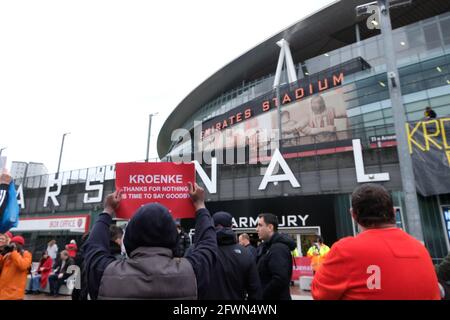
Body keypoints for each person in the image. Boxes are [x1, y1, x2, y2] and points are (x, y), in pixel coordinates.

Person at [82, 183, 217, 300]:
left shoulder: (105, 272)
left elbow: (93, 246)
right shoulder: (193, 271)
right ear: (173, 237)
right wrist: (200, 205)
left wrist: (107, 210)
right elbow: (208, 243)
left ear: (130, 236)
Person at [311, 183, 441, 300]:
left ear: (353, 214)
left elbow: (318, 294)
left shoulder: (346, 250)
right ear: (394, 212)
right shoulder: (420, 249)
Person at [201, 211, 261, 300]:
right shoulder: (246, 253)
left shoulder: (197, 251)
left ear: (212, 225)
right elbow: (255, 290)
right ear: (231, 227)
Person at [256, 213, 296, 300]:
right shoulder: (267, 247)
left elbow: (279, 280)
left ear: (270, 227)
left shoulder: (278, 248)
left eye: (260, 225)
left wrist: (261, 295)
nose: (257, 229)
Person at [0, 235, 33, 300]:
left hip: (14, 294)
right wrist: (1, 253)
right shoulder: (7, 255)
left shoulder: (26, 254)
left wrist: (14, 252)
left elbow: (23, 265)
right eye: (11, 244)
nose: (12, 246)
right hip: (3, 292)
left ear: (20, 245)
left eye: (15, 244)